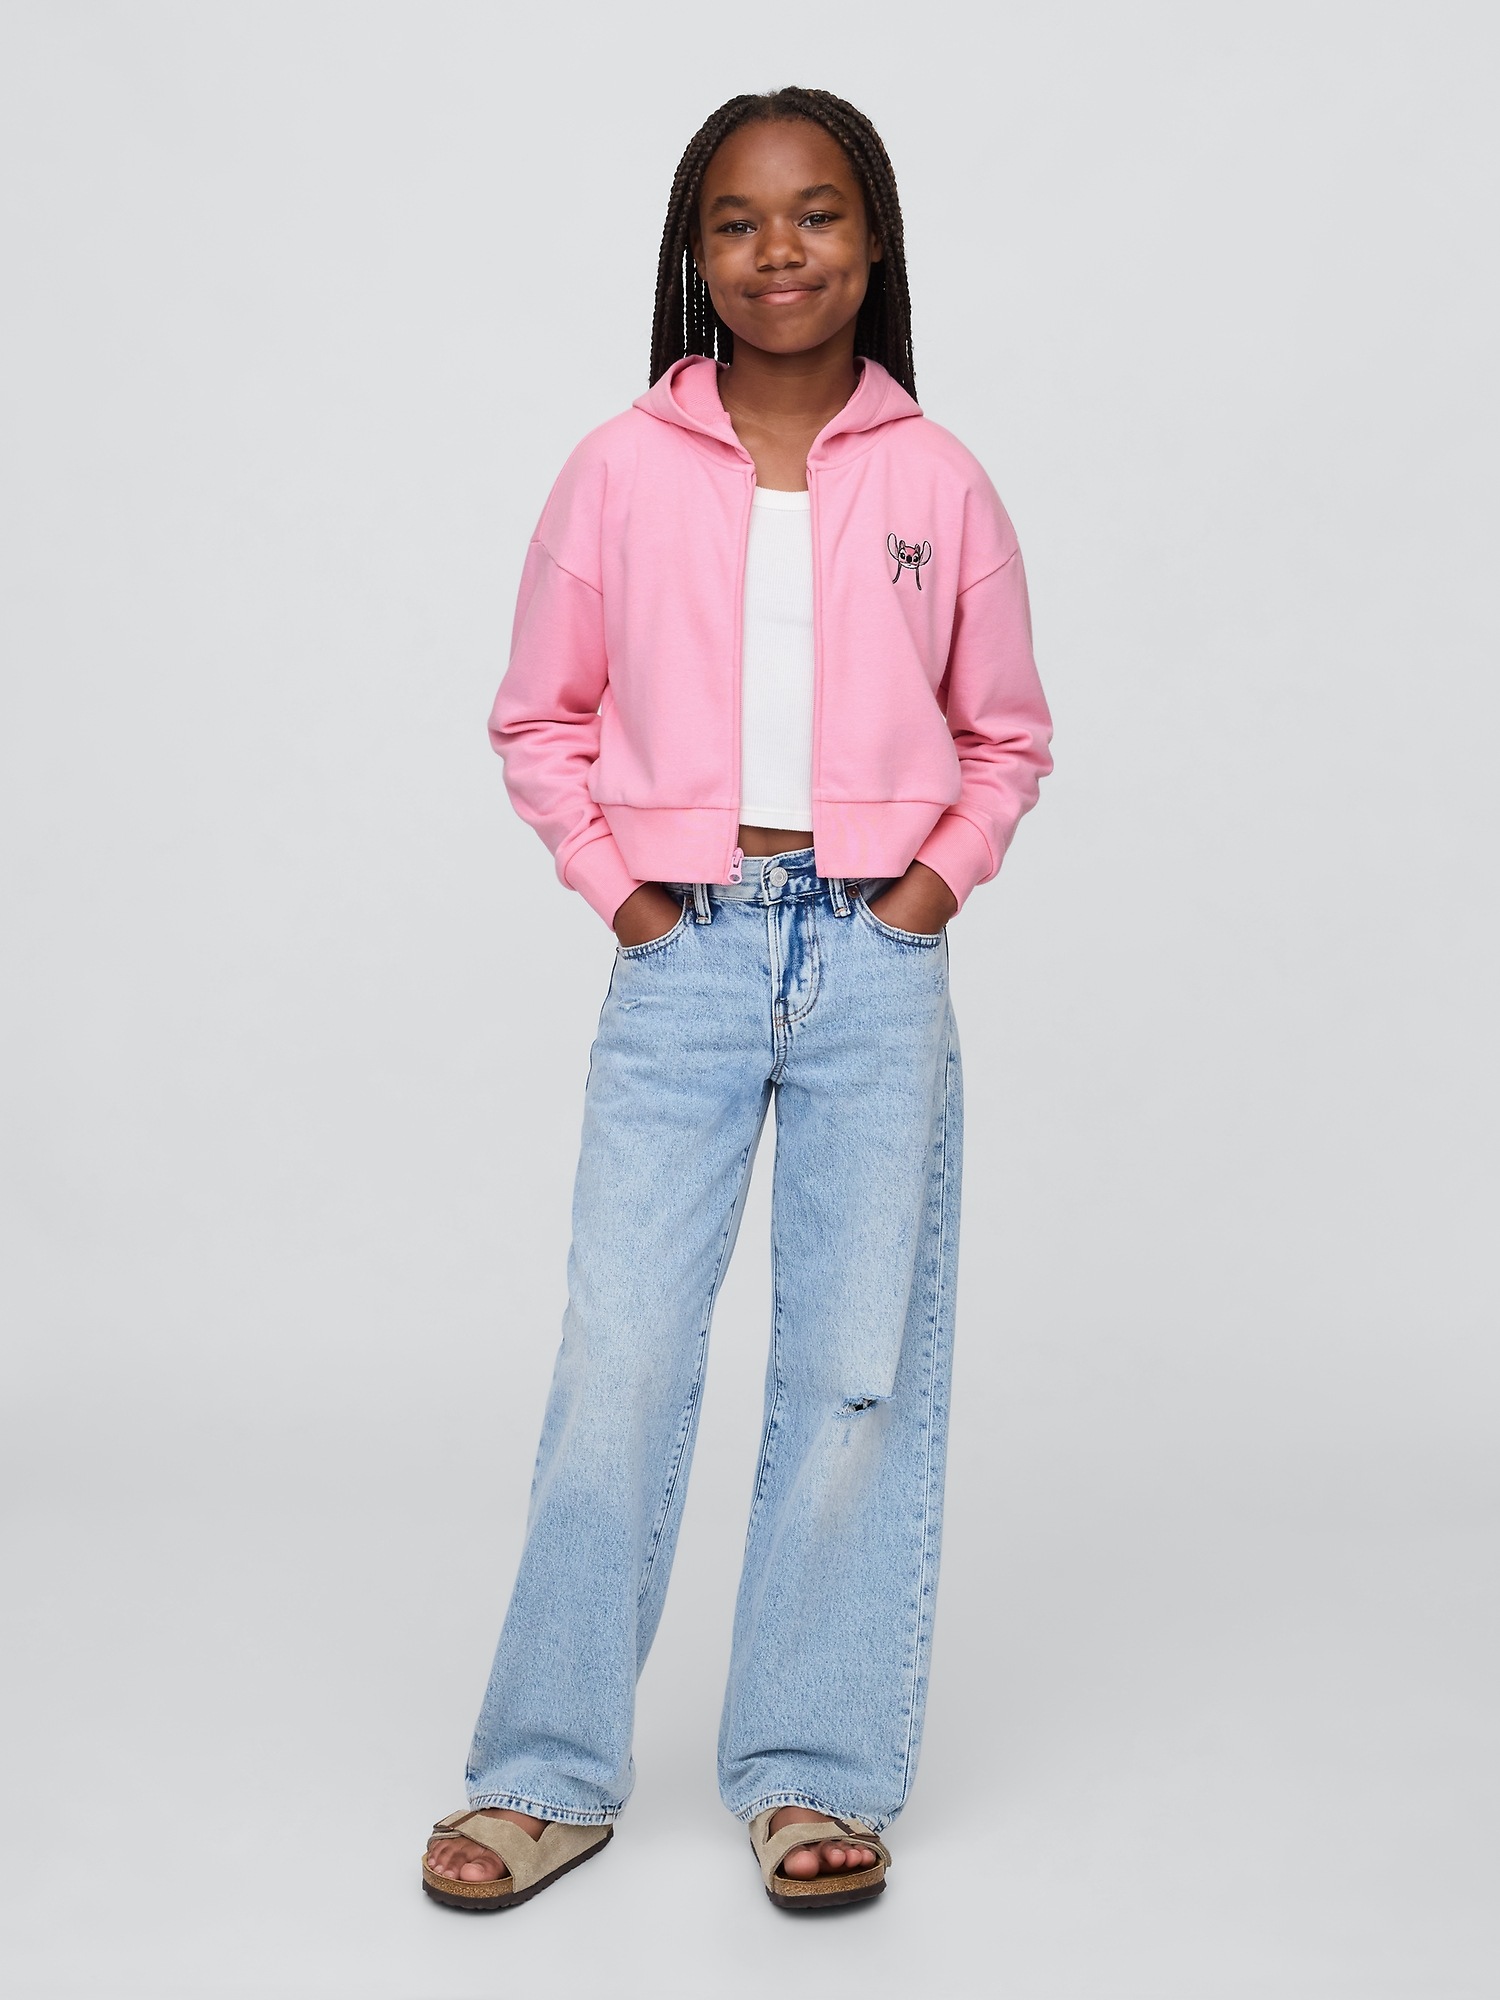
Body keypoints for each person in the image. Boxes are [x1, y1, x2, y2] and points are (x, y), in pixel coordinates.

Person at [421, 85, 1054, 1915]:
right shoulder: (619, 469)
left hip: (875, 965)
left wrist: (925, 893)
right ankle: (548, 1773)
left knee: (854, 1372)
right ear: (693, 255)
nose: (781, 250)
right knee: (622, 1356)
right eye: (739, 220)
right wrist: (624, 893)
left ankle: (811, 1769)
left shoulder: (939, 481)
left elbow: (1007, 735)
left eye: (818, 212)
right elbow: (540, 715)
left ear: (875, 239)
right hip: (685, 957)